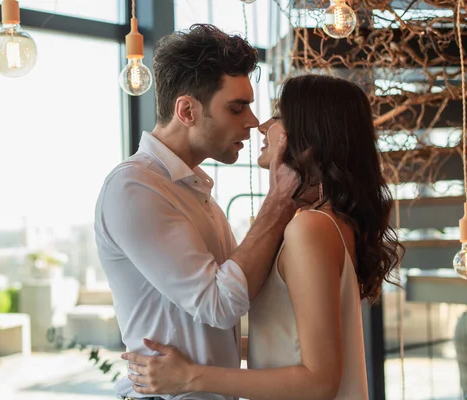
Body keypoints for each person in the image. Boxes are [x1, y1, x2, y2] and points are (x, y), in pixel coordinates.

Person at [120, 74, 404, 400]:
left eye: (279, 116)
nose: (262, 125)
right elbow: (284, 342)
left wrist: (190, 377)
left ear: (310, 138)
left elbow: (319, 381)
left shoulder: (310, 228)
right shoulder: (326, 224)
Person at [94, 24, 301, 400]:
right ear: (187, 110)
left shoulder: (193, 190)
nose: (253, 122)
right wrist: (278, 201)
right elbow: (221, 306)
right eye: (237, 107)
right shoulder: (135, 187)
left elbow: (239, 299)